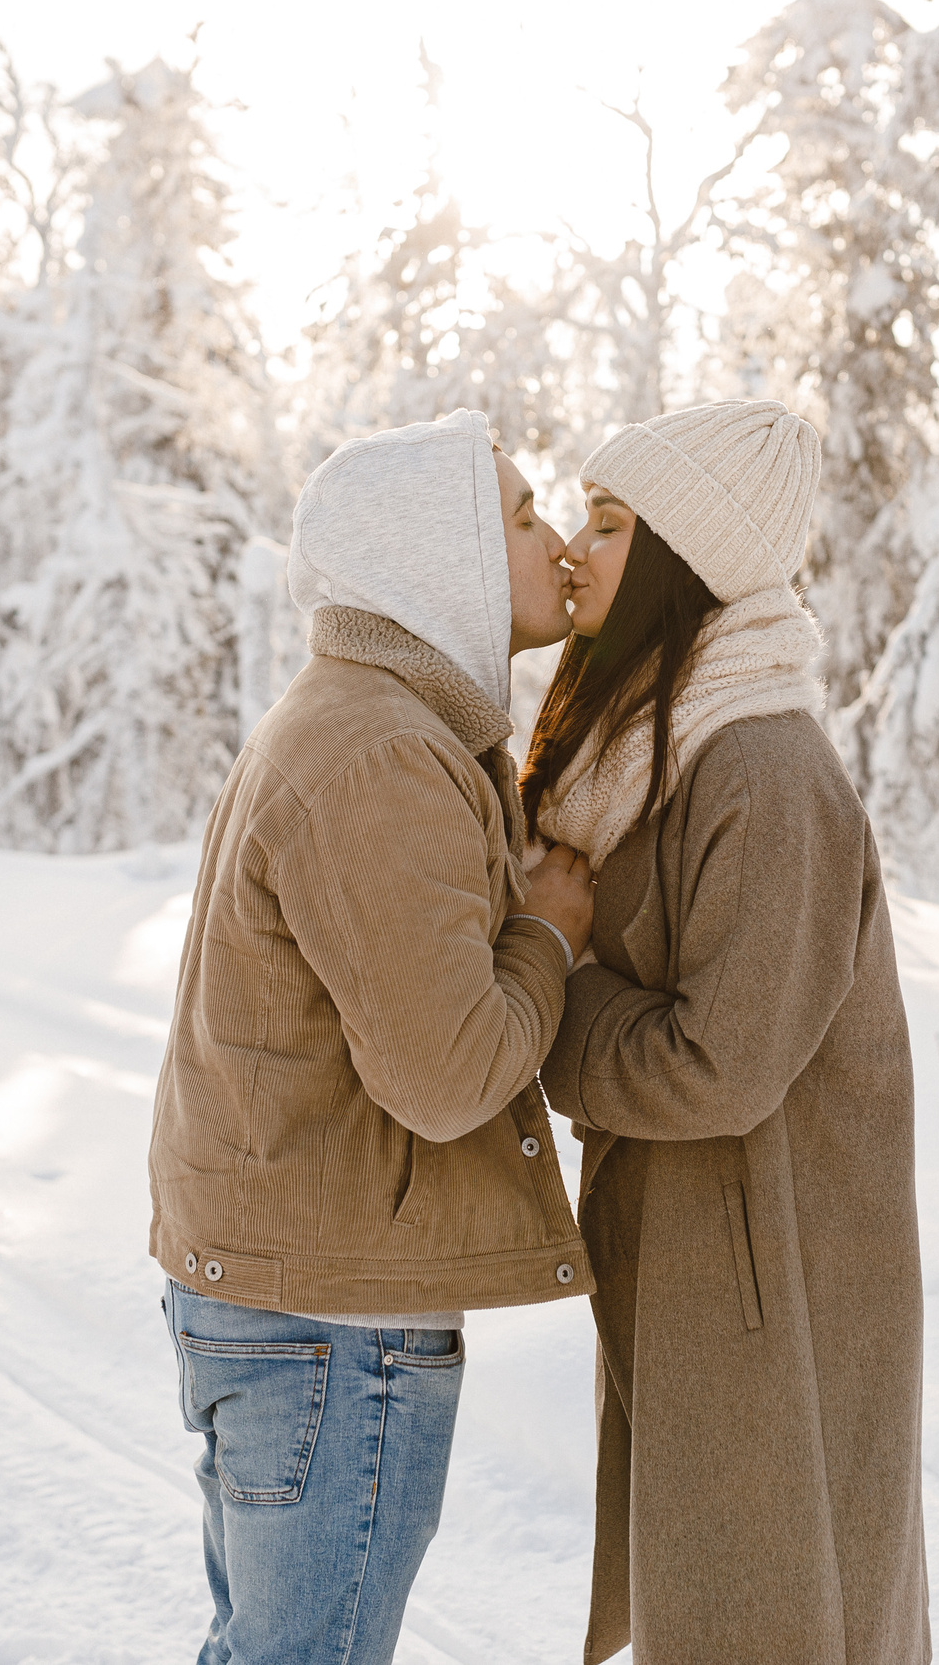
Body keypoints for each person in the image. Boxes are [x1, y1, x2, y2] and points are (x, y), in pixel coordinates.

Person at [148, 408, 597, 1665]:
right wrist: (551, 933)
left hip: (293, 1290)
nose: (555, 542)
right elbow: (448, 1073)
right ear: (436, 559)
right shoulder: (382, 752)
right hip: (326, 1324)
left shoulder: (380, 722)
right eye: (518, 516)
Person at [523, 399, 931, 1664]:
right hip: (704, 1259)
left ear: (681, 559)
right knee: (723, 1597)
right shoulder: (669, 746)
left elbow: (722, 1066)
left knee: (772, 1608)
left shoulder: (760, 767)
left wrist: (553, 991)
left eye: (606, 523)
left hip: (776, 1280)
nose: (573, 550)